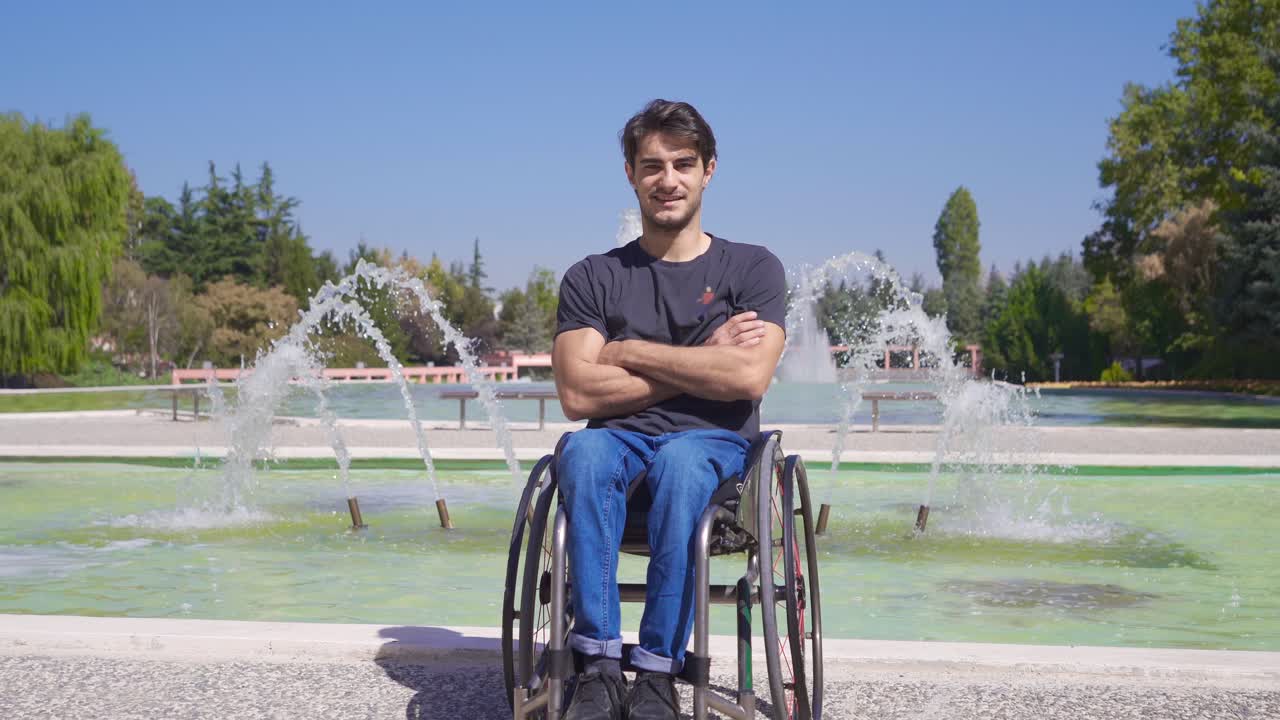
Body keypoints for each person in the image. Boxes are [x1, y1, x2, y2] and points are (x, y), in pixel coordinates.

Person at [551, 99, 786, 720]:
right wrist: (695, 360)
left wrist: (626, 353)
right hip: (616, 447)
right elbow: (577, 394)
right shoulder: (593, 278)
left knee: (682, 462)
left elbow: (748, 375)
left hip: (712, 450)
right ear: (630, 174)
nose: (668, 179)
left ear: (709, 169)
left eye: (683, 163)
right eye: (651, 166)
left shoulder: (752, 268)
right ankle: (597, 663)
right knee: (583, 447)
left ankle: (657, 673)